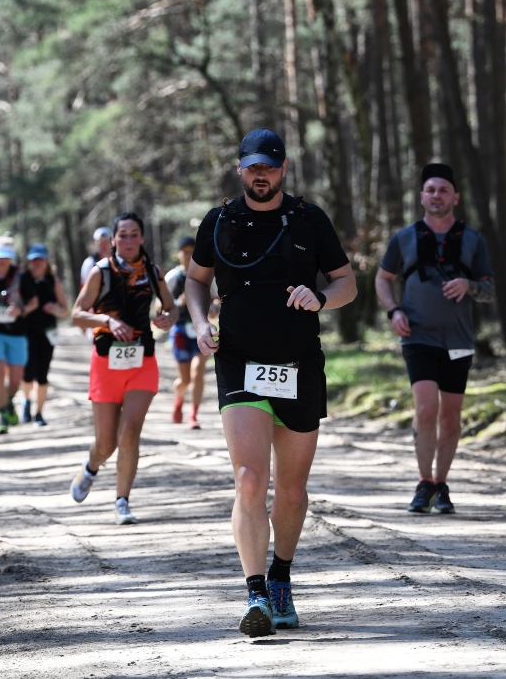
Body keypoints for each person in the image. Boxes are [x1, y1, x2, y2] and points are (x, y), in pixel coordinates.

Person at [184, 128, 357, 637]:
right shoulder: (219, 220)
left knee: (293, 489)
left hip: (299, 364)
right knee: (249, 479)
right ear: (240, 169)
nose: (261, 175)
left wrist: (321, 298)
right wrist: (199, 322)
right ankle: (255, 592)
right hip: (239, 361)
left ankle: (281, 574)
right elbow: (196, 280)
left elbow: (347, 282)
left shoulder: (309, 218)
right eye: (253, 166)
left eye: (270, 166)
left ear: (283, 169)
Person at [375, 163, 496, 515]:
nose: (436, 196)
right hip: (418, 337)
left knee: (450, 416)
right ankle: (424, 481)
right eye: (430, 190)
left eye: (443, 190)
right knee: (426, 408)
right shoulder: (404, 237)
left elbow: (489, 290)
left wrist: (468, 285)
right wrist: (394, 311)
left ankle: (441, 484)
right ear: (421, 196)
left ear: (455, 197)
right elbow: (383, 278)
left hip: (458, 339)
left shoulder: (472, 240)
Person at [69, 213, 176, 524]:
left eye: (134, 234)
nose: (128, 240)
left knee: (129, 432)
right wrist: (106, 320)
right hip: (106, 363)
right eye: (123, 235)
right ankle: (91, 467)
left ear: (141, 238)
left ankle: (122, 502)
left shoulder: (152, 271)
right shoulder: (101, 272)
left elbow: (171, 307)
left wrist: (167, 318)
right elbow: (76, 314)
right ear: (113, 240)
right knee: (106, 443)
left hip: (142, 362)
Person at [0, 237, 39, 435]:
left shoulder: (22, 276)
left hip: (17, 331)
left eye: (7, 257)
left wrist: (21, 310)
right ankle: (3, 414)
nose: (3, 261)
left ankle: (9, 402)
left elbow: (34, 302)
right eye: (0, 256)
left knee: (15, 378)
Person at [20, 244, 69, 426]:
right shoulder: (22, 279)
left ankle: (39, 413)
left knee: (42, 374)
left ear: (46, 261)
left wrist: (55, 310)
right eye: (34, 260)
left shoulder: (52, 281)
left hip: (47, 333)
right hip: (26, 332)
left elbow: (65, 310)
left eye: (40, 259)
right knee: (28, 372)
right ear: (29, 261)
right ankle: (26, 401)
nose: (37, 263)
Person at [166, 235, 211, 429]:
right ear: (178, 254)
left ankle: (193, 415)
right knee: (184, 380)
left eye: (192, 252)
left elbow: (217, 297)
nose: (188, 255)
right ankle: (178, 400)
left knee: (197, 373)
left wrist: (214, 307)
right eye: (184, 252)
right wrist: (178, 302)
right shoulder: (172, 277)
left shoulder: (207, 274)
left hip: (200, 330)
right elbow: (159, 304)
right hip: (180, 331)